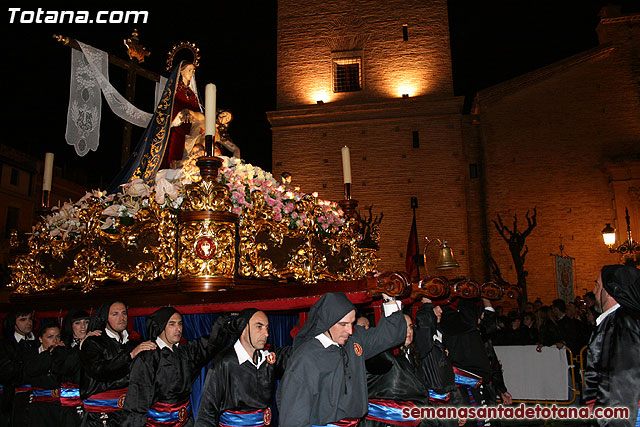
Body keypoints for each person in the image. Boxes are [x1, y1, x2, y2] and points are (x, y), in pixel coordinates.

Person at [276, 292, 406, 427]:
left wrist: (389, 297)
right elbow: (294, 417)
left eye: (352, 323)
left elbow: (392, 334)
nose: (349, 330)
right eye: (343, 324)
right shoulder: (306, 358)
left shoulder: (355, 341)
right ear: (327, 322)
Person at [121, 307, 229, 427]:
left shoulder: (185, 351)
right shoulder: (148, 357)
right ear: (160, 327)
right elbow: (137, 401)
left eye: (180, 324)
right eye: (172, 324)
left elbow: (210, 345)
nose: (178, 329)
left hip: (185, 422)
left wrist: (224, 322)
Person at [194, 309, 291, 427]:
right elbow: (206, 413)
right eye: (259, 327)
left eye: (267, 328)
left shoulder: (267, 356)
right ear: (243, 329)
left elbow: (295, 355)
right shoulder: (224, 363)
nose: (266, 333)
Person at [80, 301, 156, 427]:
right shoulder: (94, 342)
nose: (122, 318)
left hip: (129, 412)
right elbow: (99, 371)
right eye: (115, 314)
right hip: (101, 415)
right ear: (105, 317)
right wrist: (130, 356)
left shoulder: (135, 341)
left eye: (124, 313)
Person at [583, 265, 640, 427]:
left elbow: (620, 377)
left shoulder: (620, 323)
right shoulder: (625, 319)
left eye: (597, 285)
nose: (594, 291)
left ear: (609, 291)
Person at [360, 313, 437, 427]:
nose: (408, 331)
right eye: (402, 327)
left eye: (410, 326)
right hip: (390, 420)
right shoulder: (383, 356)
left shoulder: (412, 353)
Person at [51, 309, 99, 427]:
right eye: (77, 323)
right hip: (71, 403)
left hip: (94, 402)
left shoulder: (96, 344)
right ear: (70, 326)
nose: (83, 326)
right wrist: (81, 345)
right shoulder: (62, 347)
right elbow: (66, 368)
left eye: (86, 322)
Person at [23, 321, 65, 427]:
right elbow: (31, 371)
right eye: (50, 337)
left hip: (59, 405)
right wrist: (49, 354)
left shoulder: (63, 353)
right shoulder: (31, 354)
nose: (55, 341)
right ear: (41, 339)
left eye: (58, 336)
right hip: (38, 407)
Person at [0, 308, 36, 427]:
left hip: (36, 402)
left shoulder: (38, 341)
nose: (28, 323)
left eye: (30, 319)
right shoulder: (5, 345)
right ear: (13, 323)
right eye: (23, 320)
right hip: (12, 401)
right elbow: (7, 373)